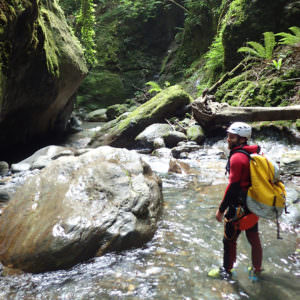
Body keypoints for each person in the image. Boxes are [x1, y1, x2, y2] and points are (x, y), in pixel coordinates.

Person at [209, 122, 262, 279]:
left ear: (242, 139)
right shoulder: (250, 153)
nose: (228, 140)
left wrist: (221, 209)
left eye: (232, 137)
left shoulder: (238, 157)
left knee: (229, 240)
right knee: (253, 237)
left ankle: (226, 271)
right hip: (252, 203)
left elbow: (233, 186)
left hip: (238, 205)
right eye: (228, 136)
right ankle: (257, 270)